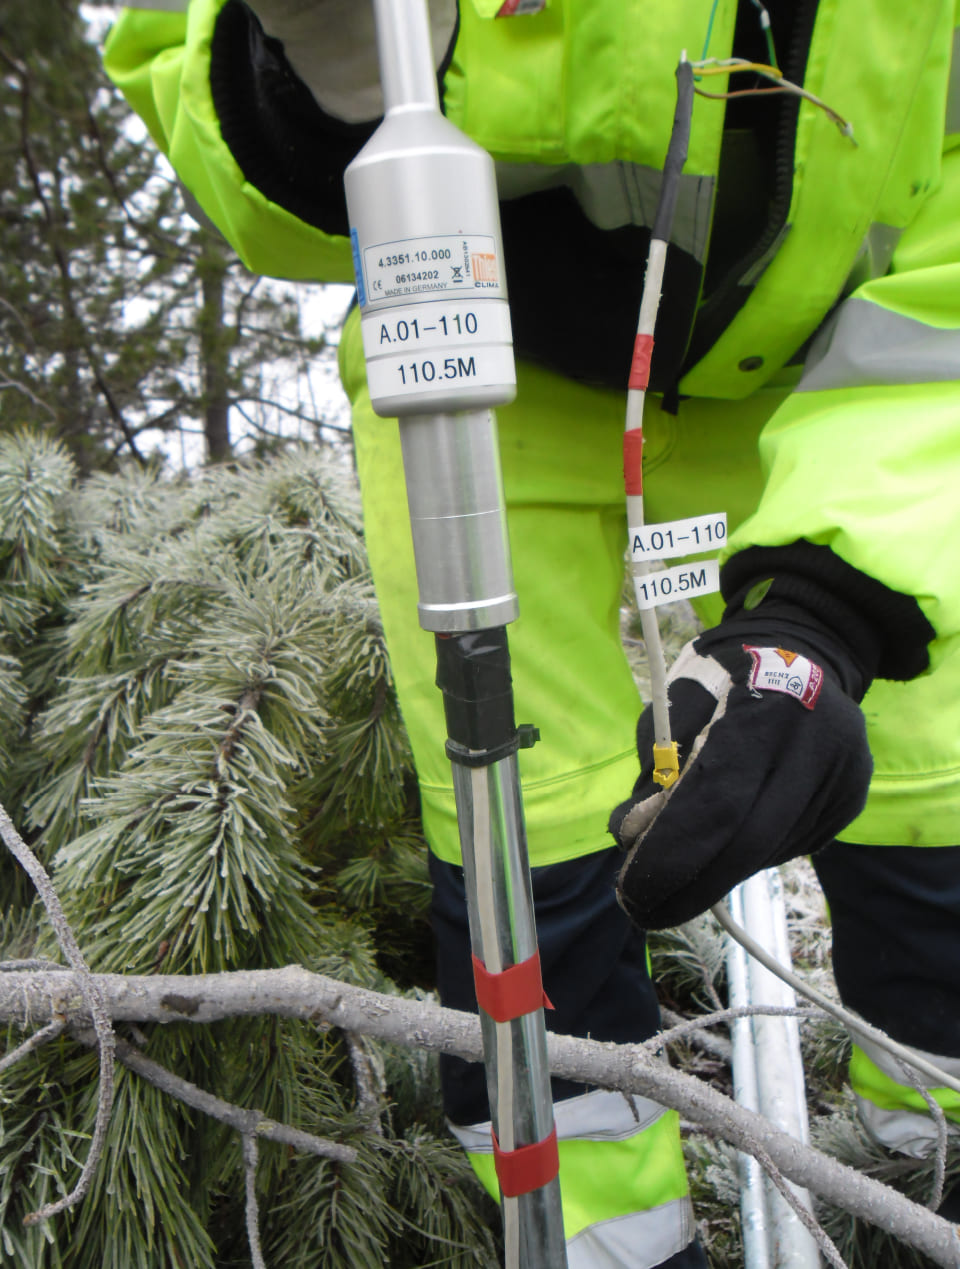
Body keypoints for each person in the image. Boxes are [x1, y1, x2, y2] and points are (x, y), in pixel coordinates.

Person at [104, 2, 960, 1264]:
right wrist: (299, 71)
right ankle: (608, 1237)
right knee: (525, 828)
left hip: (849, 365)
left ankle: (926, 1167)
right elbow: (227, 152)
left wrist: (833, 609)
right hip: (471, 351)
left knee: (923, 784)